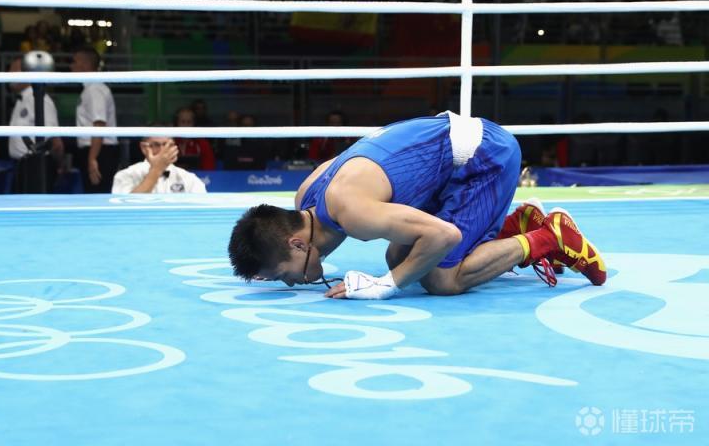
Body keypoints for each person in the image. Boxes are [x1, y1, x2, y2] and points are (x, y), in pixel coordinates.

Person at [228, 111, 606, 300]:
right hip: (445, 162)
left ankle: (549, 237)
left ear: (297, 243)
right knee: (401, 256)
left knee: (441, 279)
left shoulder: (352, 212)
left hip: (484, 156)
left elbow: (444, 235)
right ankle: (510, 226)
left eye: (283, 275)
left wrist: (383, 286)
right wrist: (269, 260)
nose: (290, 282)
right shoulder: (307, 197)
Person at [7, 57, 64, 193]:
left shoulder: (41, 99)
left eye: (14, 70)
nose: (9, 74)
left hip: (37, 166)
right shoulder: (22, 99)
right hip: (22, 166)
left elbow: (55, 140)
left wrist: (58, 166)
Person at [71, 45, 120, 193]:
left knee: (98, 194)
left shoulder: (95, 89)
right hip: (97, 150)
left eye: (74, 62)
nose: (71, 66)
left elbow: (99, 124)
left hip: (99, 152)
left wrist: (92, 159)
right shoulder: (91, 89)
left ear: (85, 65)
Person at [111, 136, 206, 193]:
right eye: (156, 145)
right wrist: (156, 170)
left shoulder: (189, 179)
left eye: (166, 145)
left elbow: (202, 213)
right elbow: (125, 210)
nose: (162, 151)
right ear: (144, 148)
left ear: (174, 148)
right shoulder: (125, 175)